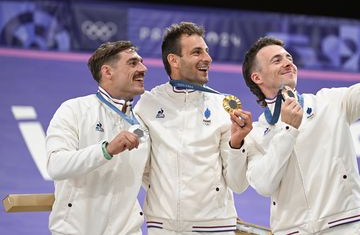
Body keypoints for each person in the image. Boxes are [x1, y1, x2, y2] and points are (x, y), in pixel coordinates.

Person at [241, 8, 360, 235]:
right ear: (257, 77)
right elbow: (264, 184)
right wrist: (288, 130)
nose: (288, 63)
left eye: (289, 57)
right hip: (291, 231)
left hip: (343, 227)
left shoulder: (330, 102)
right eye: (277, 60)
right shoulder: (256, 134)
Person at [134, 21, 252, 234]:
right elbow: (139, 166)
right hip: (163, 226)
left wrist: (237, 144)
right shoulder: (149, 104)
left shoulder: (223, 105)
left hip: (215, 226)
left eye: (206, 52)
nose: (207, 58)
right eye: (197, 52)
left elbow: (238, 183)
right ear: (174, 60)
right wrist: (167, 196)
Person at [46, 40, 151, 235]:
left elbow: (154, 179)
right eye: (133, 63)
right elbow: (56, 166)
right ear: (107, 72)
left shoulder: (143, 124)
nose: (143, 68)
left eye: (141, 62)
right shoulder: (74, 110)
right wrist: (106, 150)